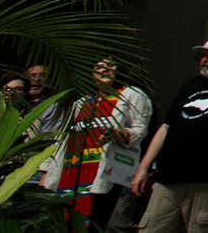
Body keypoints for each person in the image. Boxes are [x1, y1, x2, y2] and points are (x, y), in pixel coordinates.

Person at [132, 35, 208, 233]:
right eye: (202, 56)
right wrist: (143, 167)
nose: (204, 60)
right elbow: (166, 127)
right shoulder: (189, 85)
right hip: (168, 178)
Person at [42, 58, 153, 229]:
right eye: (100, 66)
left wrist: (118, 134)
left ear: (119, 71)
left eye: (110, 66)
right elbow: (61, 139)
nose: (104, 69)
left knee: (95, 224)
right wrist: (47, 170)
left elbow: (140, 131)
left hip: (105, 174)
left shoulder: (131, 94)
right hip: (71, 174)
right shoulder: (82, 103)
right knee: (66, 224)